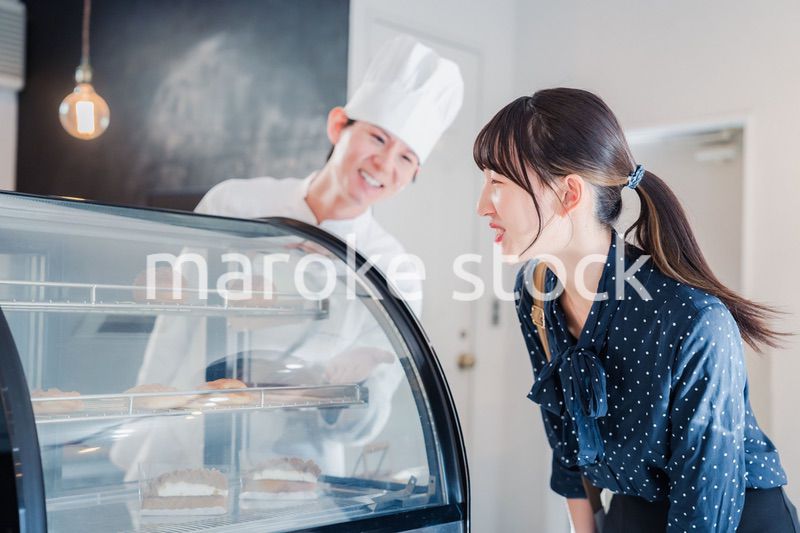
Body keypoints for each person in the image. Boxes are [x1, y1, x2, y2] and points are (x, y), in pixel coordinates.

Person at [110, 35, 463, 481]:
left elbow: (367, 419)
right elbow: (175, 324)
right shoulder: (235, 203)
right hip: (185, 446)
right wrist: (132, 437)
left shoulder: (395, 269)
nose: (384, 163)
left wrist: (352, 387)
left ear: (415, 174)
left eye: (406, 157)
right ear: (338, 125)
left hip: (295, 472)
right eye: (377, 137)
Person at [474, 88, 798, 532]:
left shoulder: (691, 320)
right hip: (631, 509)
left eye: (497, 183)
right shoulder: (534, 293)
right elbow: (566, 442)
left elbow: (704, 502)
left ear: (569, 194)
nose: (481, 206)